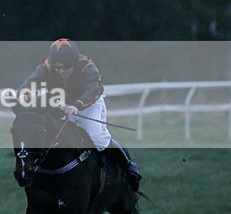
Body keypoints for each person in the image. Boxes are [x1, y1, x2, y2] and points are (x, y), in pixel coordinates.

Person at [16, 38, 142, 189]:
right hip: (63, 104)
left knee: (98, 137)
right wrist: (22, 93)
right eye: (58, 68)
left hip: (90, 105)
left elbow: (92, 91)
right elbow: (31, 81)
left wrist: (77, 105)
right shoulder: (47, 66)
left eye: (66, 68)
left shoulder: (88, 67)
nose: (61, 71)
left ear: (74, 63)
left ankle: (128, 166)